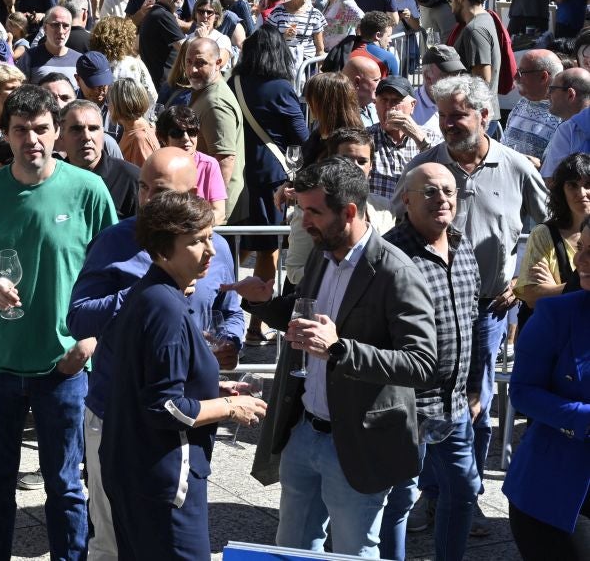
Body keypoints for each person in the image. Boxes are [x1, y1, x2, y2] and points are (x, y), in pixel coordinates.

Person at [225, 157, 437, 556]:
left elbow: (423, 363)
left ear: (349, 212)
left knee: (353, 551)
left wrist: (340, 349)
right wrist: (266, 302)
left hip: (357, 442)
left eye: (313, 212)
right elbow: (304, 315)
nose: (305, 222)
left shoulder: (396, 272)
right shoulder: (322, 255)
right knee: (293, 548)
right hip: (305, 432)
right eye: (302, 210)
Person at [0, 85, 117, 561]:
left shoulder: (88, 190)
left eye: (42, 129)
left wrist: (90, 341)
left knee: (64, 486)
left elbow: (119, 274)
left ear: (56, 132)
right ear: (6, 134)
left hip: (63, 365)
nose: (32, 140)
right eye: (21, 130)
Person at [68, 147, 248, 560]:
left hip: (180, 430)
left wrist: (227, 348)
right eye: (143, 187)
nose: (148, 199)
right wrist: (145, 291)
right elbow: (78, 320)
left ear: (194, 196)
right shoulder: (120, 245)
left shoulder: (211, 248)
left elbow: (228, 311)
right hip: (123, 420)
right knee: (114, 545)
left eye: (162, 192)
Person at [393, 74, 549, 507]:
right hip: (430, 308)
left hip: (489, 309)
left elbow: (552, 229)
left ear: (484, 115)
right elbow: (396, 225)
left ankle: (466, 496)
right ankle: (428, 494)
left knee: (475, 407)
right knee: (426, 403)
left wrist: (523, 281)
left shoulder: (515, 165)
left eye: (458, 115)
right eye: (442, 116)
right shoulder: (425, 166)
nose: (448, 124)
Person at [101, 190, 266, 561]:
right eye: (195, 242)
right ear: (162, 249)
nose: (210, 251)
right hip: (163, 480)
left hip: (134, 470)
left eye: (210, 238)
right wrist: (228, 407)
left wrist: (213, 385)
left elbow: (146, 376)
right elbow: (164, 407)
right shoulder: (167, 310)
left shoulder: (151, 294)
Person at [379, 164, 482, 561]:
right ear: (406, 199)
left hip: (453, 405)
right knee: (400, 500)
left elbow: (471, 320)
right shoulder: (389, 254)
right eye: (430, 192)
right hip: (406, 407)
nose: (442, 199)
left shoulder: (462, 245)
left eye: (449, 191)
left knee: (465, 490)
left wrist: (473, 386)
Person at [502, 232, 590, 559]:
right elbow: (523, 392)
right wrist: (584, 418)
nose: (579, 261)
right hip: (554, 494)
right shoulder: (557, 313)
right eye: (580, 249)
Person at [228, 26, 307, 274]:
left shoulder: (234, 82)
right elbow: (302, 136)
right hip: (270, 177)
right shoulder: (280, 88)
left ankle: (227, 294)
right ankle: (260, 310)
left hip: (238, 172)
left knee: (243, 240)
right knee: (268, 246)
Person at [514, 152, 590, 316]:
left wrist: (555, 289)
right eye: (573, 185)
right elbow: (532, 296)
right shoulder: (543, 234)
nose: (582, 193)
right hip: (554, 332)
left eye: (588, 184)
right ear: (561, 191)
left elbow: (543, 295)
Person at [187, 37, 245, 219]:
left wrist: (212, 211)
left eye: (200, 63)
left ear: (218, 63)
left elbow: (224, 160)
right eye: (189, 62)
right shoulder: (206, 93)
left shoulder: (215, 103)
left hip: (214, 214)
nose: (192, 70)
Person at [60, 99, 140, 218]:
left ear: (103, 132)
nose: (86, 137)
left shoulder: (131, 179)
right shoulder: (52, 179)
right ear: (61, 134)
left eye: (93, 128)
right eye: (76, 129)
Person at [505, 49, 563, 171]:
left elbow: (557, 171)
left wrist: (521, 161)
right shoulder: (523, 103)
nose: (515, 77)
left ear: (543, 77)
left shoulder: (563, 114)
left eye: (521, 73)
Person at [447, 0, 502, 98]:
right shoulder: (486, 18)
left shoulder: (474, 29)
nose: (451, 8)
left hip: (477, 113)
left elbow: (481, 81)